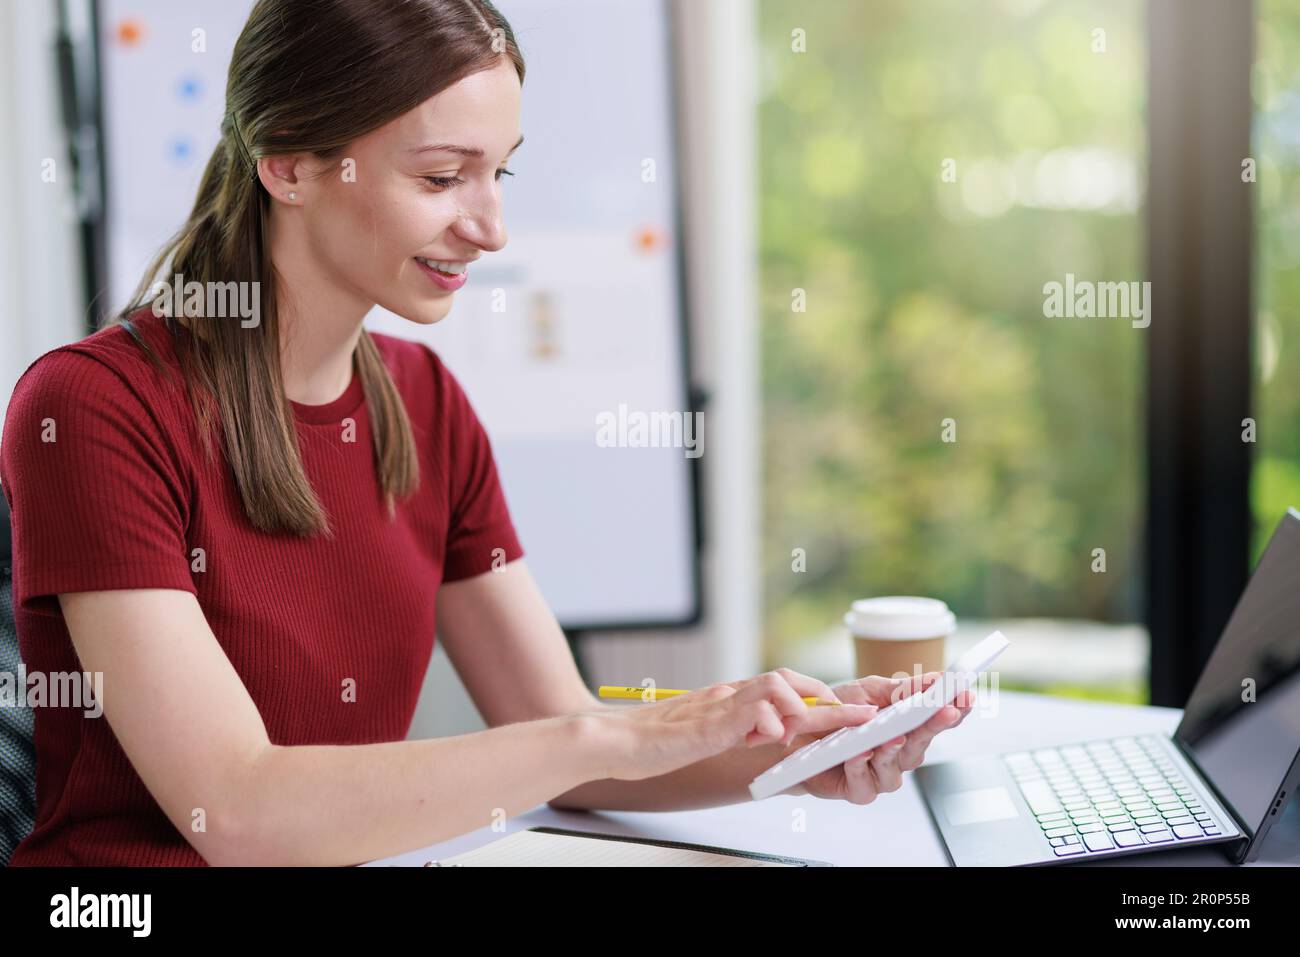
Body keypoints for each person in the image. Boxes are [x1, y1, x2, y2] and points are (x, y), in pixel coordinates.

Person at [0, 0, 973, 866]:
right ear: (289, 164)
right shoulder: (92, 408)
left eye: (497, 173)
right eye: (440, 177)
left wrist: (796, 753)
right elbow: (241, 815)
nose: (492, 227)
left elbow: (571, 745)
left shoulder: (426, 404)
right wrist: (610, 737)